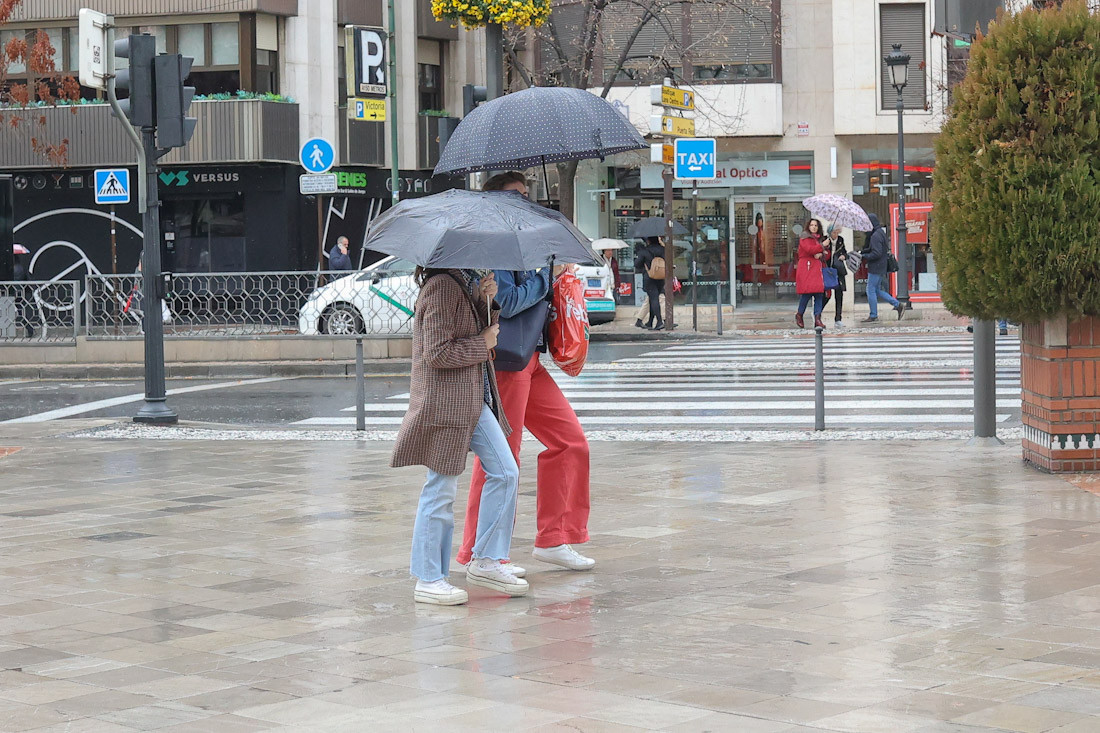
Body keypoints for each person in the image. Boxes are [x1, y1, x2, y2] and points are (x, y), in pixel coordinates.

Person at [456, 171, 595, 575]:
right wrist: (542, 280)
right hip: (506, 361)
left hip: (529, 360)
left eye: (526, 192)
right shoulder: (491, 243)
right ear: (497, 196)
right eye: (516, 192)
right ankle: (481, 552)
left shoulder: (523, 240)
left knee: (571, 442)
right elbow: (508, 300)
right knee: (501, 459)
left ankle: (556, 537)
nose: (525, 198)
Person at [392, 266, 528, 605]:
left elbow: (472, 330)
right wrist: (482, 344)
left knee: (506, 471)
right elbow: (436, 352)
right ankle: (428, 577)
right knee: (440, 488)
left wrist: (487, 300)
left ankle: (486, 559)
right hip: (446, 401)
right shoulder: (442, 287)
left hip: (471, 399)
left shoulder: (460, 284)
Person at [860, 213, 905, 323]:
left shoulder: (875, 236)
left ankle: (873, 315)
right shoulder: (880, 232)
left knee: (870, 290)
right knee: (877, 290)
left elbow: (876, 253)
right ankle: (897, 304)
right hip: (881, 266)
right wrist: (863, 251)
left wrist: (864, 256)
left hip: (876, 266)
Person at [795, 218, 827, 330]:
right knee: (807, 294)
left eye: (816, 225)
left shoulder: (818, 239)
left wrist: (821, 253)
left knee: (819, 294)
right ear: (808, 226)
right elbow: (809, 249)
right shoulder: (804, 238)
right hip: (807, 268)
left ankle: (817, 319)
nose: (814, 227)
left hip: (816, 269)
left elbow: (820, 253)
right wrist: (821, 246)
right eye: (812, 225)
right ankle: (800, 314)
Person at [634, 236, 667, 330]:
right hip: (660, 277)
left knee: (653, 299)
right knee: (652, 300)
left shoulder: (645, 251)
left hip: (649, 277)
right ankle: (650, 322)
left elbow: (637, 264)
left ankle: (659, 321)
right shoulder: (663, 250)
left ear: (648, 240)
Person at [826, 224, 848, 327]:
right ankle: (817, 314)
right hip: (828, 270)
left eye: (837, 232)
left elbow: (845, 252)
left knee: (839, 295)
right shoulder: (825, 240)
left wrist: (844, 256)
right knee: (825, 294)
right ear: (829, 233)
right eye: (833, 233)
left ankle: (838, 318)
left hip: (838, 271)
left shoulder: (840, 240)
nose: (835, 235)